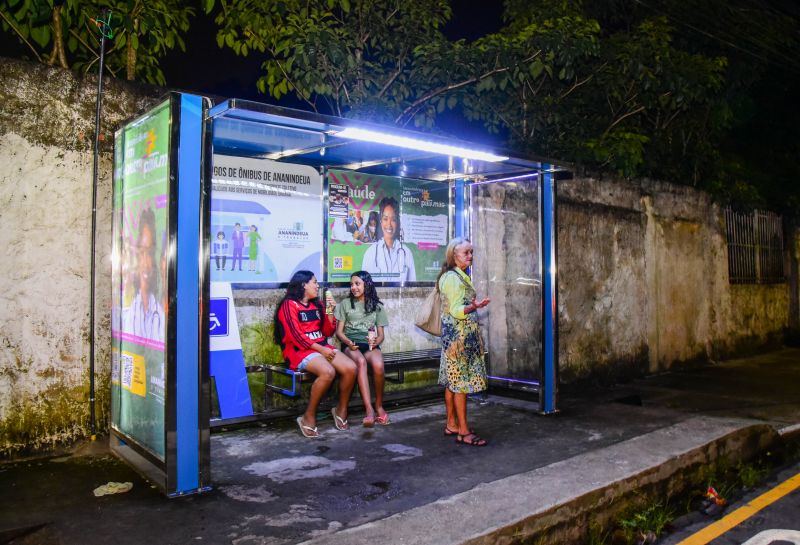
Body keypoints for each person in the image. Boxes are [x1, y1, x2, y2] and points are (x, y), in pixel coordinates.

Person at [274, 270, 357, 438]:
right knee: (328, 372)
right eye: (314, 282)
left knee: (351, 368)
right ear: (304, 284)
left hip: (321, 347)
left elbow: (327, 330)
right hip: (299, 351)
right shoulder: (289, 305)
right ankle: (308, 416)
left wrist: (329, 311)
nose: (317, 286)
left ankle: (341, 409)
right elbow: (296, 337)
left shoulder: (317, 304)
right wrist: (322, 350)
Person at [436, 238, 490, 446]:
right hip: (458, 340)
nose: (470, 256)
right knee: (460, 386)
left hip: (456, 339)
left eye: (471, 252)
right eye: (466, 252)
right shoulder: (452, 278)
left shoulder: (457, 276)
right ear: (453, 255)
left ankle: (452, 424)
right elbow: (456, 311)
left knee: (452, 383)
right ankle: (464, 432)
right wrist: (475, 306)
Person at [334, 271, 390, 427]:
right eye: (351, 284)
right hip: (350, 344)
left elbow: (381, 336)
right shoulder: (345, 304)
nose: (353, 287)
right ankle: (369, 410)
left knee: (379, 365)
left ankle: (379, 405)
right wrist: (348, 342)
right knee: (361, 362)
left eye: (357, 284)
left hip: (370, 345)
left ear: (367, 285)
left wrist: (374, 342)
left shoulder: (377, 306)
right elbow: (339, 332)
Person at [127, 208, 165, 342]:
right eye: (141, 253)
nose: (146, 263)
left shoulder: (160, 314)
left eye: (150, 253)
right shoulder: (129, 313)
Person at [361, 196, 416, 281]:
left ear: (397, 222)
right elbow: (364, 285)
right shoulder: (370, 253)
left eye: (393, 219)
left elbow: (413, 287)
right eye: (385, 219)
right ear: (381, 221)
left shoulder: (407, 253)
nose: (389, 225)